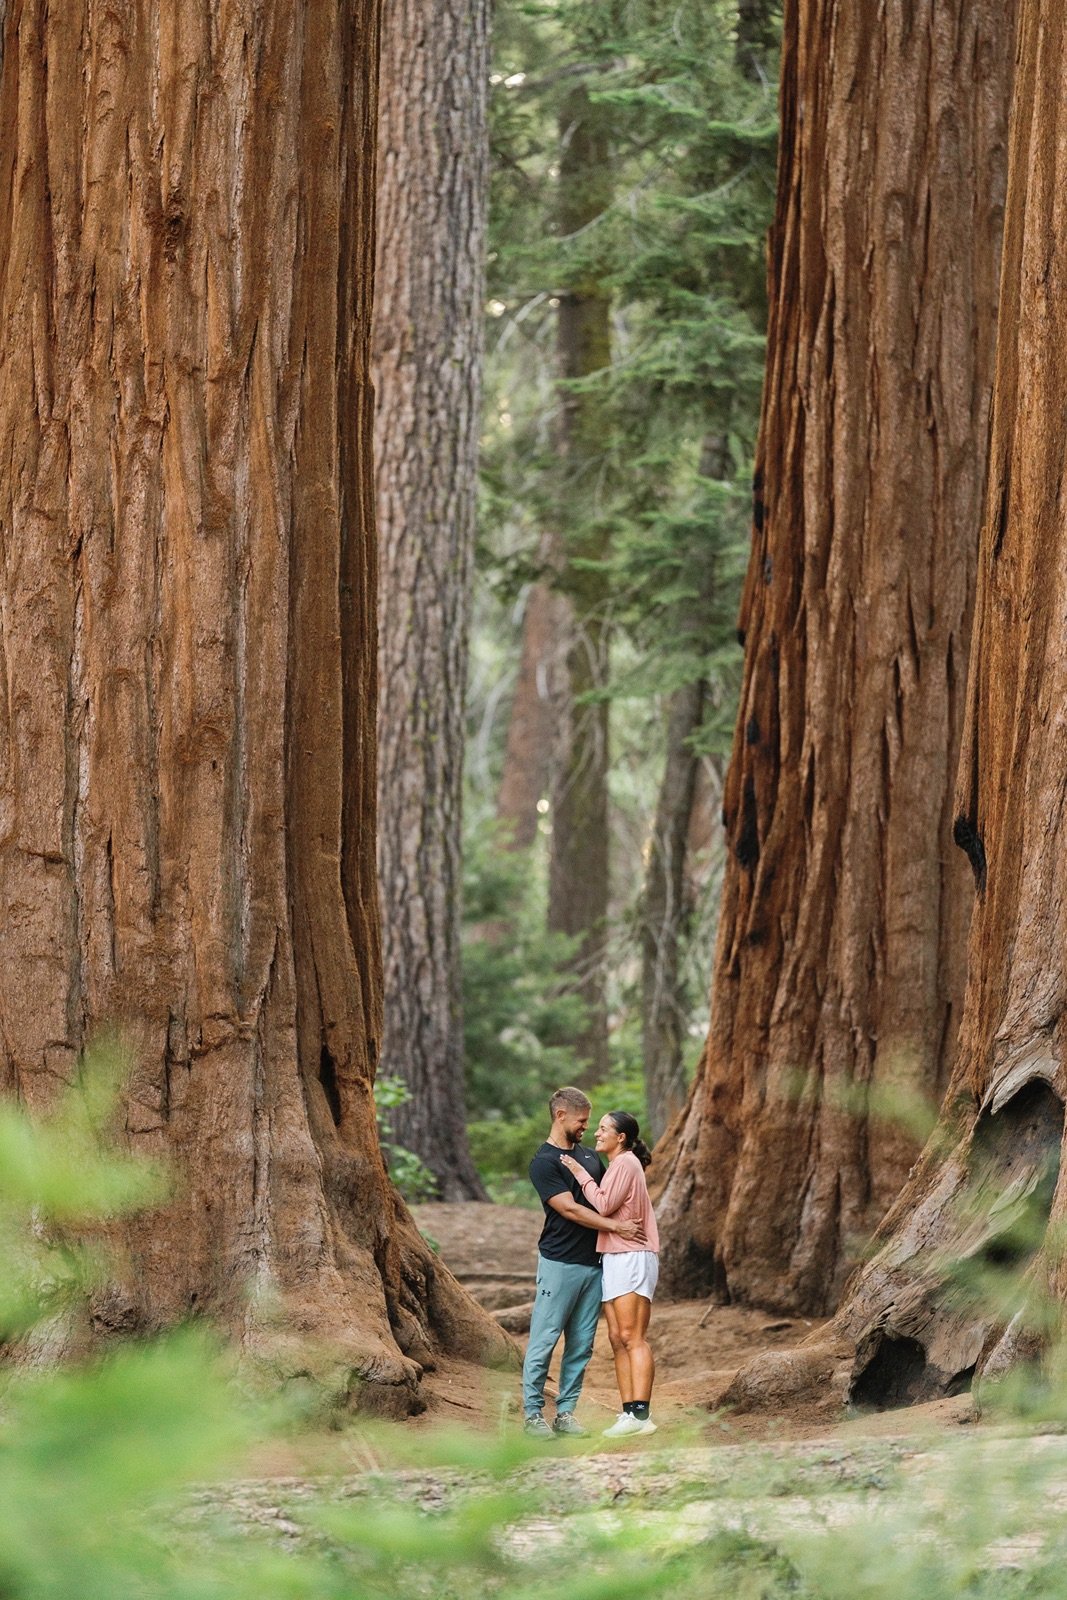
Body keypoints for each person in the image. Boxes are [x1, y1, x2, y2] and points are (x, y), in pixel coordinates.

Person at [522, 1087, 643, 1439]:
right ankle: (532, 1415)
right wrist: (616, 1227)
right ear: (561, 1116)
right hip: (559, 1263)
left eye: (589, 1122)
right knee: (544, 1340)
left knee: (581, 1344)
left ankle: (565, 1413)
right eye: (581, 1120)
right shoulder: (543, 1163)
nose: (586, 1128)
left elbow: (606, 1200)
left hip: (595, 1266)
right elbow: (570, 1209)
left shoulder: (591, 1158)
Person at [560, 1110, 659, 1437]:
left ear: (621, 1138)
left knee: (633, 1337)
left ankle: (642, 1416)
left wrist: (579, 1172)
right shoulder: (620, 1165)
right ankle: (629, 1412)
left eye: (603, 1129)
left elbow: (603, 1205)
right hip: (615, 1256)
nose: (597, 1133)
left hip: (633, 1257)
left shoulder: (626, 1162)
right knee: (617, 1339)